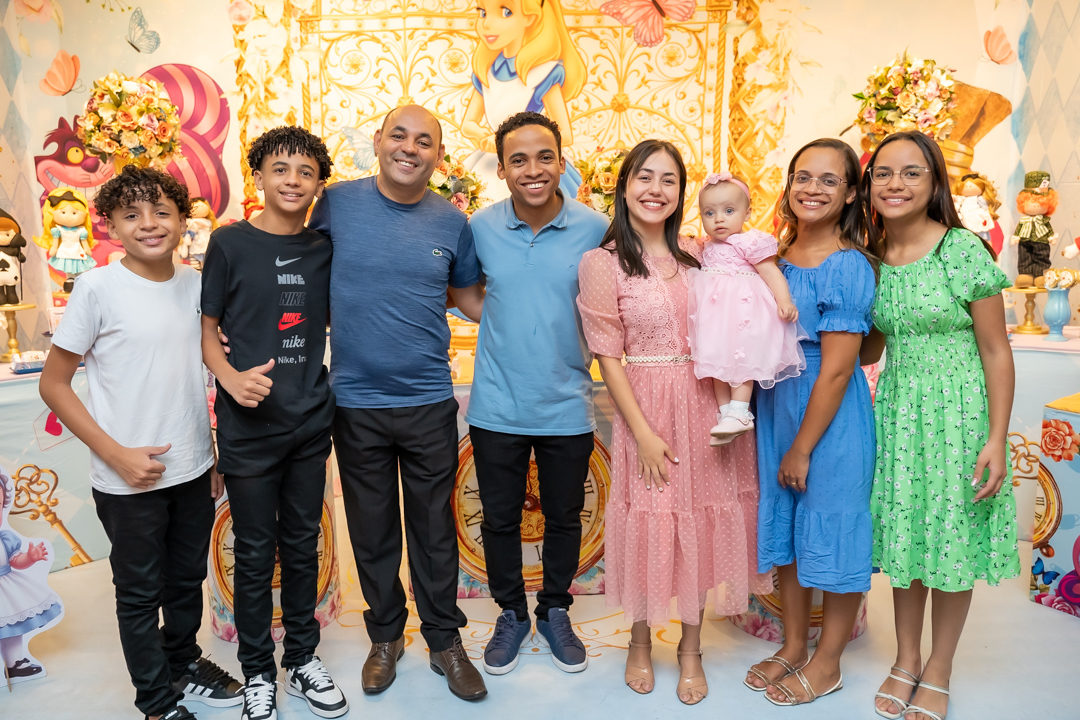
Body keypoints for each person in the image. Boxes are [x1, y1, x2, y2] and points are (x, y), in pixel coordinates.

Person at [39, 166, 243, 720]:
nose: (148, 224)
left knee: (186, 581)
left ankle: (183, 661)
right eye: (132, 215)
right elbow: (53, 384)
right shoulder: (96, 288)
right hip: (127, 477)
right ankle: (155, 701)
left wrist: (213, 452)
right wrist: (116, 455)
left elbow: (202, 370)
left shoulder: (197, 285)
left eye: (161, 212)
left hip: (193, 465)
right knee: (138, 593)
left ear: (182, 220)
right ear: (111, 227)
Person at [576, 140, 771, 705]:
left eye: (668, 180)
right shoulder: (602, 262)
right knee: (650, 520)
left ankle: (691, 648)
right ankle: (639, 640)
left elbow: (742, 308)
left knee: (700, 522)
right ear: (624, 186)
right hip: (647, 405)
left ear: (682, 192)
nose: (655, 189)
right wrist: (641, 432)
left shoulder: (700, 253)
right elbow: (607, 355)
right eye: (644, 177)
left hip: (709, 402)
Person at [308, 105, 488, 701]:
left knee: (435, 529)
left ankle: (444, 641)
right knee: (373, 529)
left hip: (427, 399)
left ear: (439, 155)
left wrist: (542, 306)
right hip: (355, 402)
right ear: (379, 141)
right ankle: (385, 637)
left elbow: (467, 296)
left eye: (425, 141)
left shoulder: (452, 222)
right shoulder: (336, 203)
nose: (410, 148)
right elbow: (303, 278)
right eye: (399, 136)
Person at [861, 131, 1019, 720]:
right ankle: (906, 658)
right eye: (883, 173)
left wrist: (996, 438)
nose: (895, 184)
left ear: (934, 183)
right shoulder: (873, 258)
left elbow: (997, 351)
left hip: (959, 416)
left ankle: (940, 667)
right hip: (899, 414)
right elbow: (870, 347)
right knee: (908, 536)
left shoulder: (961, 249)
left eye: (911, 172)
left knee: (951, 541)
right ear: (868, 185)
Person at [201, 126, 348, 720]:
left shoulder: (324, 248)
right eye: (280, 169)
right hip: (248, 430)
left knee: (303, 545)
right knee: (256, 552)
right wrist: (230, 378)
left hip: (309, 423)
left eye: (306, 171)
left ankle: (303, 659)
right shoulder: (228, 243)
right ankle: (258, 671)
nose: (292, 180)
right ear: (258, 175)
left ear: (319, 184)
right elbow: (207, 331)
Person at [465, 111, 609, 676]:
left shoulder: (595, 228)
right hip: (497, 404)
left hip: (567, 402)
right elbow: (466, 292)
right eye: (518, 160)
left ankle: (554, 610)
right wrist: (506, 322)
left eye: (544, 157)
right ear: (501, 170)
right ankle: (511, 613)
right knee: (499, 518)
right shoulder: (480, 226)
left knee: (564, 517)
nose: (533, 169)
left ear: (562, 162)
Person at [746, 138, 878, 708]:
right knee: (791, 529)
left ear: (850, 194)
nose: (813, 188)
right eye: (803, 176)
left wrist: (801, 447)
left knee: (834, 525)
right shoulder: (772, 258)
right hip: (776, 404)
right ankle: (795, 645)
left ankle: (829, 663)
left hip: (829, 411)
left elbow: (842, 366)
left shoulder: (848, 264)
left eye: (829, 180)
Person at [687, 171, 803, 445]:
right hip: (716, 320)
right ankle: (726, 416)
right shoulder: (706, 245)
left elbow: (771, 273)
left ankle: (740, 411)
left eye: (728, 211)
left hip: (744, 315)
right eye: (710, 213)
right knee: (716, 364)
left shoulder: (749, 242)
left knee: (741, 361)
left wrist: (785, 301)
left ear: (747, 213)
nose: (719, 219)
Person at [461, 0, 585, 201]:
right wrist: (485, 137)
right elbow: (468, 123)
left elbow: (565, 134)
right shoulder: (486, 71)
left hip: (531, 163)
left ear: (530, 17)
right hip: (493, 163)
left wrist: (526, 145)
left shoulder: (543, 72)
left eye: (506, 12)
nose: (487, 24)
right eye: (483, 13)